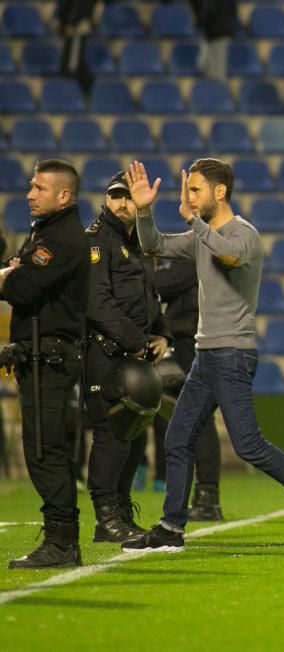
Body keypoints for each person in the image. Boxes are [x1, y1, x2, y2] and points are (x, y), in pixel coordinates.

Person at [120, 159, 284, 553]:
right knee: (177, 438)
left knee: (248, 444)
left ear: (219, 191)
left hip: (232, 355)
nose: (188, 197)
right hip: (208, 355)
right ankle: (171, 528)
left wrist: (193, 221)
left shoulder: (244, 234)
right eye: (188, 189)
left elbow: (228, 256)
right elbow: (153, 244)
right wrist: (144, 212)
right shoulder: (203, 235)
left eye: (195, 190)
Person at [2, 160, 89, 569]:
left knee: (45, 451)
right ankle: (60, 540)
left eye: (38, 188)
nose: (29, 194)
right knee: (42, 449)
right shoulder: (48, 233)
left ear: (63, 196)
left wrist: (13, 275)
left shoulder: (63, 239)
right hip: (40, 355)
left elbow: (21, 288)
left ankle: (62, 542)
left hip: (49, 359)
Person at [84, 172, 171, 544]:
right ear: (106, 200)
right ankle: (106, 517)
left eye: (127, 198)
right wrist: (138, 340)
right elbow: (97, 303)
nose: (121, 203)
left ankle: (120, 511)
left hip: (133, 354)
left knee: (133, 437)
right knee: (110, 436)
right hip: (104, 352)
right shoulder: (97, 240)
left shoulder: (136, 244)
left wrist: (162, 332)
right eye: (114, 196)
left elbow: (149, 297)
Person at [153, 256, 224, 521]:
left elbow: (162, 284)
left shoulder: (195, 255)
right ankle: (205, 496)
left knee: (198, 418)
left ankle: (207, 497)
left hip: (192, 341)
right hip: (190, 338)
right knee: (195, 418)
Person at [189, 0, 237, 82]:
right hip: (212, 33)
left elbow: (209, 10)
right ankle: (213, 88)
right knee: (206, 66)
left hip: (219, 32)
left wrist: (200, 24)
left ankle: (219, 90)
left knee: (218, 70)